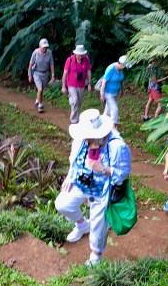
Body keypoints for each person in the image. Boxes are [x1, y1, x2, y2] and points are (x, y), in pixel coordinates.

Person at [55, 109, 132, 266]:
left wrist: (102, 168)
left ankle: (96, 255)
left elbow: (122, 174)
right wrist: (70, 176)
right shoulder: (80, 140)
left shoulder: (117, 146)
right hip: (80, 183)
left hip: (101, 191)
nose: (88, 138)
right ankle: (83, 225)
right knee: (62, 204)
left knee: (99, 225)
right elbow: (74, 159)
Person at [61, 44, 92, 123]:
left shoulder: (86, 59)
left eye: (82, 55)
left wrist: (89, 83)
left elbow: (88, 71)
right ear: (75, 53)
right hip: (71, 84)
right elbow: (65, 73)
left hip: (81, 85)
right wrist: (63, 86)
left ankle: (72, 102)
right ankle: (74, 120)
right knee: (75, 101)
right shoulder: (70, 60)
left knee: (79, 102)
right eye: (79, 55)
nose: (80, 57)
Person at [28, 38, 55, 113]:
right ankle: (40, 105)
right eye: (43, 47)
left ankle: (37, 100)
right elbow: (31, 64)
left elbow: (51, 64)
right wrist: (30, 75)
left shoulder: (49, 53)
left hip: (45, 73)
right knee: (40, 89)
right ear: (40, 46)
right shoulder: (35, 53)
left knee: (41, 89)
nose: (45, 49)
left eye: (46, 47)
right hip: (36, 73)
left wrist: (53, 75)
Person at [99, 55, 128, 123]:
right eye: (124, 66)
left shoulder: (120, 69)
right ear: (121, 64)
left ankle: (102, 123)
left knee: (108, 110)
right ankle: (113, 127)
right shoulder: (111, 68)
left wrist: (121, 90)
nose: (125, 68)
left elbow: (120, 80)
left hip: (115, 92)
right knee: (115, 109)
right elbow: (104, 82)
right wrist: (102, 94)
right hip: (108, 93)